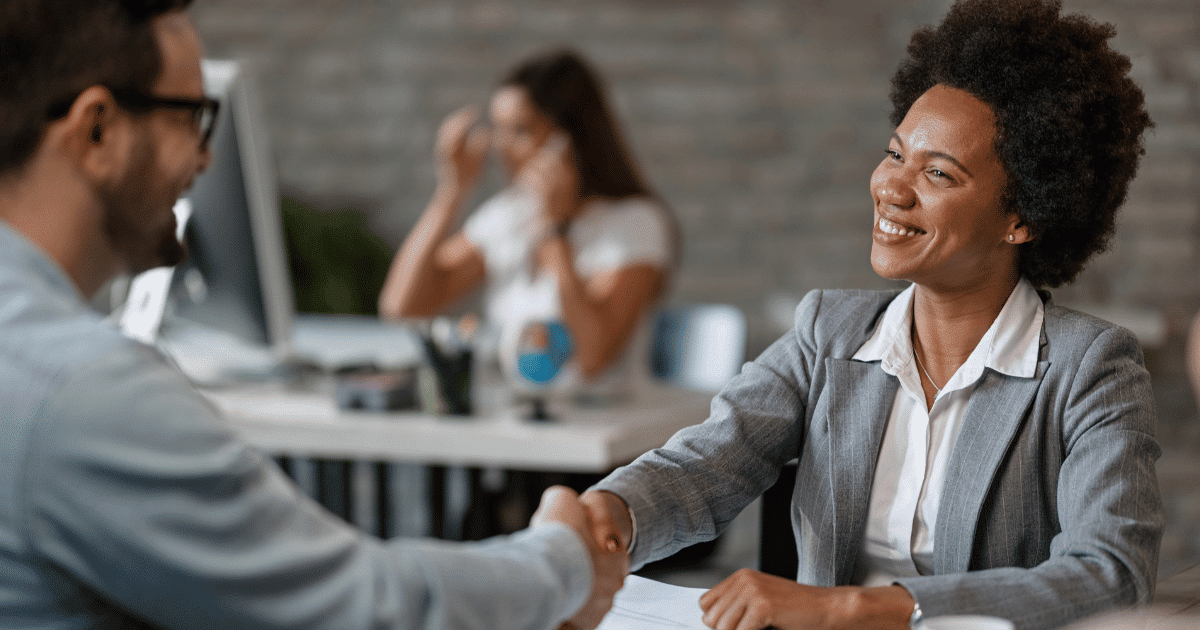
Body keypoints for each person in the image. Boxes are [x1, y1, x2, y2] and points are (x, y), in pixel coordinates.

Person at [0, 1, 626, 629]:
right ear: (97, 132)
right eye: (193, 117)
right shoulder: (86, 391)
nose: (205, 158)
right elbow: (363, 607)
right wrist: (563, 562)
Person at [576, 1, 1164, 629]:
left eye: (937, 173)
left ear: (1022, 219)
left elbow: (1112, 571)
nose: (891, 186)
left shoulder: (1091, 370)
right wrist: (604, 514)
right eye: (895, 153)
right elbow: (706, 464)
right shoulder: (827, 333)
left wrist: (858, 607)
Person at [378, 49, 676, 399]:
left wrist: (556, 229)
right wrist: (452, 191)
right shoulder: (510, 215)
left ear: (570, 139)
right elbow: (402, 306)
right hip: (518, 423)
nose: (500, 147)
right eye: (498, 130)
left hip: (603, 432)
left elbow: (593, 358)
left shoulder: (636, 223)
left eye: (520, 131)